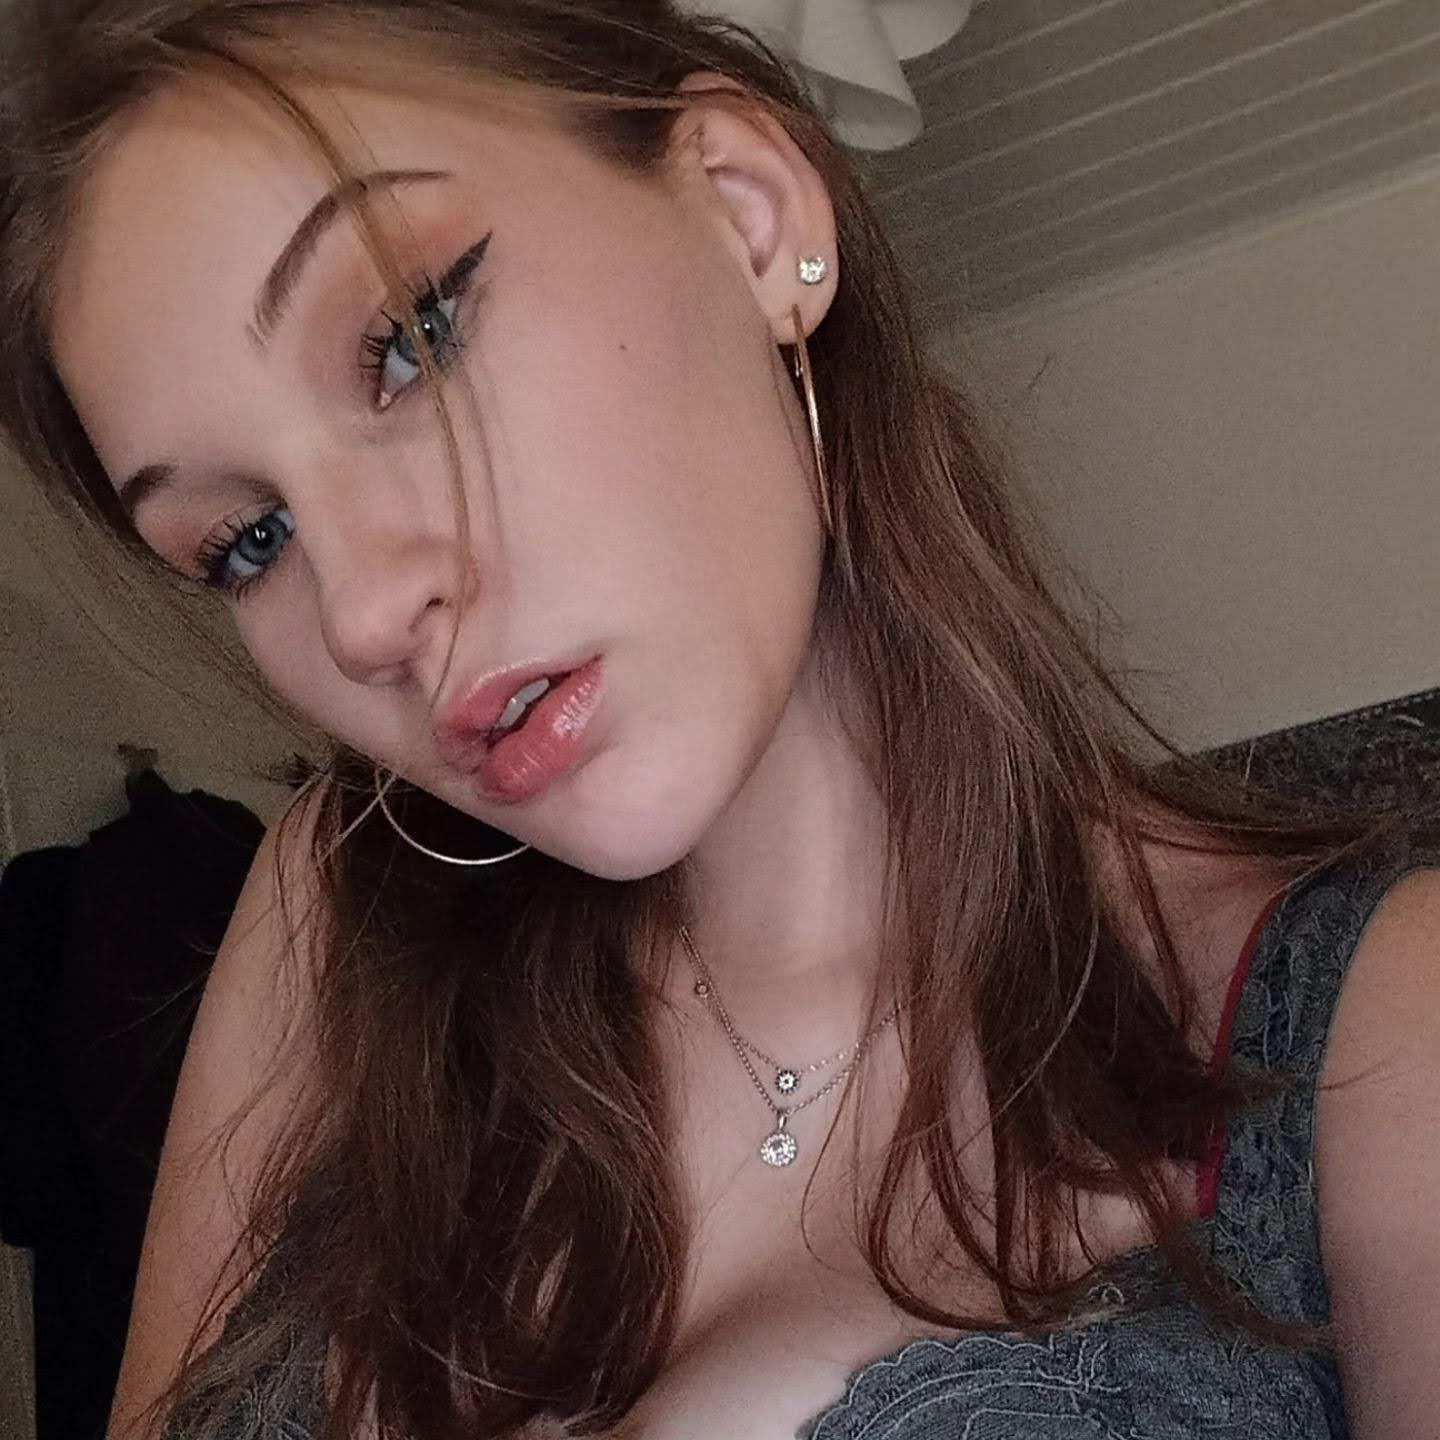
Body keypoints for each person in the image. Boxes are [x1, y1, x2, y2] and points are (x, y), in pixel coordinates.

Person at [1, 3, 1438, 1438]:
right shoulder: (337, 915)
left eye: (411, 340)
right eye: (247, 542)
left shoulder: (1379, 1027)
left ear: (749, 219)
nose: (361, 613)